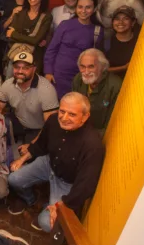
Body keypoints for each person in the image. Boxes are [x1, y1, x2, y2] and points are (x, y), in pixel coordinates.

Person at [8, 93, 105, 232]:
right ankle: (32, 200)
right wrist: (22, 159)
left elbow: (85, 185)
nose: (64, 118)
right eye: (62, 111)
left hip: (67, 182)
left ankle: (48, 204)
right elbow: (40, 145)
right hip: (49, 163)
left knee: (48, 224)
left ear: (85, 117)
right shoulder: (53, 120)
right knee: (13, 178)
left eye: (72, 114)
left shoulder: (92, 144)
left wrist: (61, 205)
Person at [45, 0, 105, 99]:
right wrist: (48, 72)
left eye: (88, 7)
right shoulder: (65, 25)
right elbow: (52, 49)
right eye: (80, 7)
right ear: (76, 8)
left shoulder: (97, 31)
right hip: (57, 76)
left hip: (79, 78)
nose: (83, 11)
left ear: (94, 9)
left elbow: (96, 59)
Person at [0, 52, 58, 144]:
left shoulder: (46, 89)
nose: (20, 71)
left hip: (38, 130)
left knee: (31, 156)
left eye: (25, 68)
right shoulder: (7, 85)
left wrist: (32, 145)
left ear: (34, 69)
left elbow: (50, 126)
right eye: (17, 67)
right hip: (18, 124)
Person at [5, 0, 52, 74]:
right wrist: (31, 39)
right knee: (8, 86)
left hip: (33, 60)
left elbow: (36, 40)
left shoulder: (46, 16)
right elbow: (10, 37)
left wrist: (15, 34)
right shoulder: (20, 12)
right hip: (15, 56)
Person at [72, 49, 122, 137]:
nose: (86, 72)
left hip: (99, 137)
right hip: (77, 132)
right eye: (82, 67)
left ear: (102, 67)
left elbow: (112, 125)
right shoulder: (78, 79)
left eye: (91, 67)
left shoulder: (115, 86)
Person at [106, 5, 139, 78]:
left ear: (133, 22)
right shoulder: (106, 43)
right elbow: (100, 70)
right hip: (113, 86)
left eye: (126, 18)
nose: (120, 22)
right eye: (117, 19)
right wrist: (124, 68)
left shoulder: (141, 42)